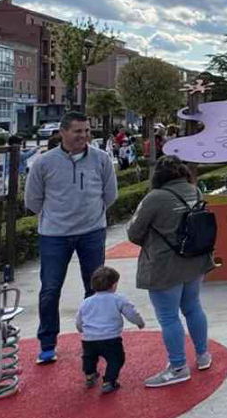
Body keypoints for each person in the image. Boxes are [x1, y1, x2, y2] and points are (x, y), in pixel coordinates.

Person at [24, 111, 118, 366]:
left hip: (91, 232)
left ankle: (94, 338)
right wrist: (56, 216)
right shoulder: (44, 163)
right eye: (78, 131)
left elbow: (110, 194)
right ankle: (47, 343)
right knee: (50, 289)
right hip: (54, 234)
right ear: (63, 132)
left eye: (87, 131)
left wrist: (92, 215)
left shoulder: (101, 159)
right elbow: (32, 200)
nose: (84, 136)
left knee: (95, 289)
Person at [126, 155, 216, 387]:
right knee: (193, 307)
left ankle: (178, 366)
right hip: (195, 260)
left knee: (168, 317)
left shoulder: (154, 198)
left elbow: (134, 232)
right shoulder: (194, 191)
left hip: (164, 265)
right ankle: (203, 355)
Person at [74, 265, 146, 393]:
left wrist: (81, 330)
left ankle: (90, 373)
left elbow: (79, 319)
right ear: (113, 285)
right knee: (116, 359)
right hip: (110, 338)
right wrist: (139, 322)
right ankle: (109, 380)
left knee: (89, 357)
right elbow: (131, 313)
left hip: (89, 338)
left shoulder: (86, 302)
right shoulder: (118, 299)